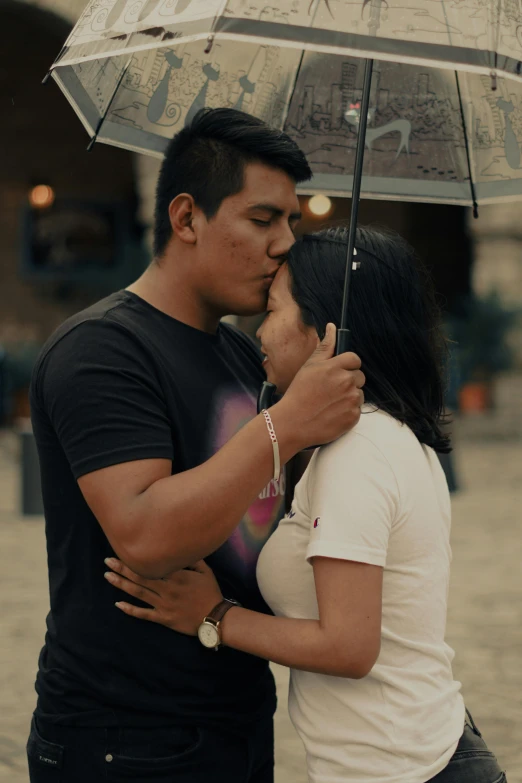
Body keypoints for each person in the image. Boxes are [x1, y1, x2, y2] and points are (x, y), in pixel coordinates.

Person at [26, 111, 365, 783]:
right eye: (264, 219)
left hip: (238, 721)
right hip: (123, 737)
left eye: (292, 223)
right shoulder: (101, 350)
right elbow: (148, 537)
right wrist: (288, 424)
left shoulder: (244, 354)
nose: (285, 245)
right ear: (186, 218)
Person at [105, 227, 507, 783]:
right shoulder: (369, 435)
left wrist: (214, 615)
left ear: (325, 333)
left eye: (273, 310)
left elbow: (348, 646)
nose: (259, 331)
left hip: (405, 768)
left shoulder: (360, 449)